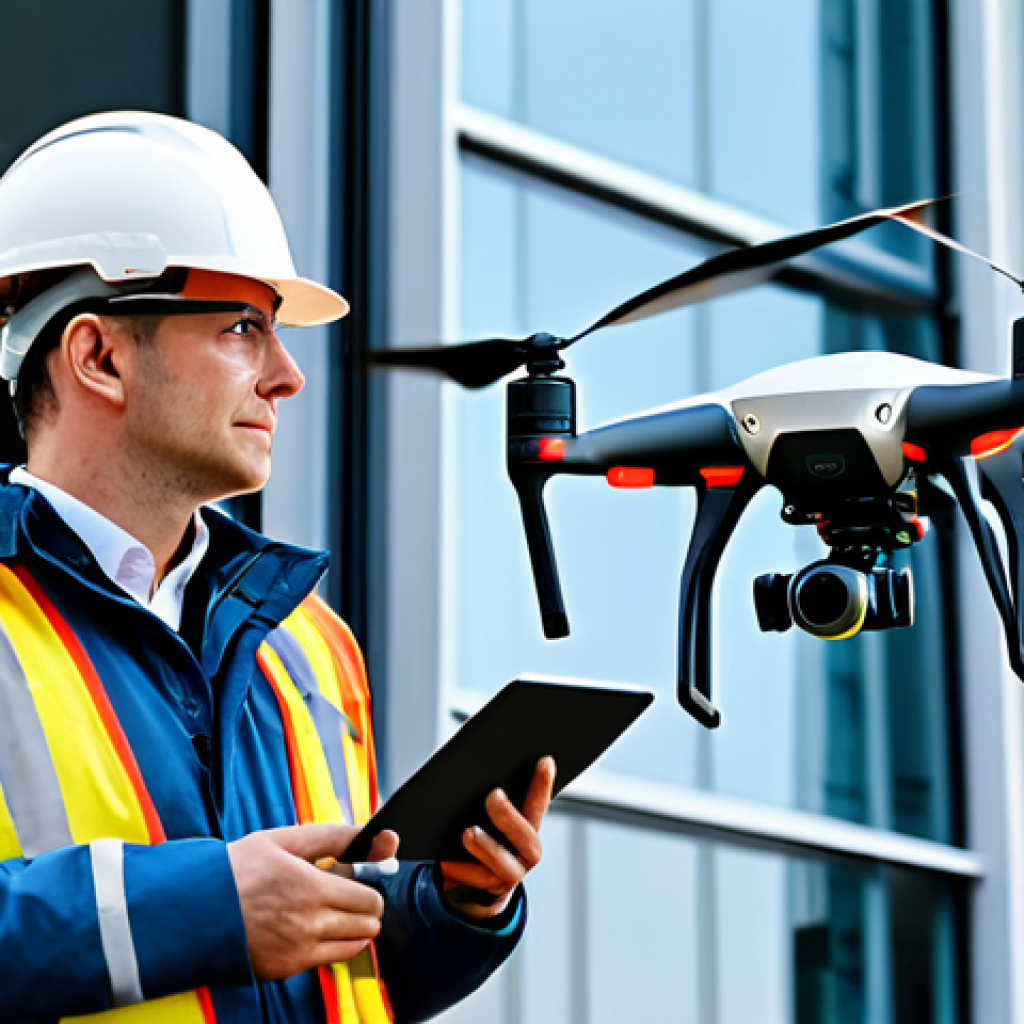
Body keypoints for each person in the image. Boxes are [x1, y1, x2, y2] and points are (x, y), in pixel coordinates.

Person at [0, 111, 555, 1023]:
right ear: (98, 355)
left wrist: (459, 903)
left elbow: (339, 966)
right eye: (240, 330)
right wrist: (209, 909)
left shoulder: (312, 642)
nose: (288, 375)